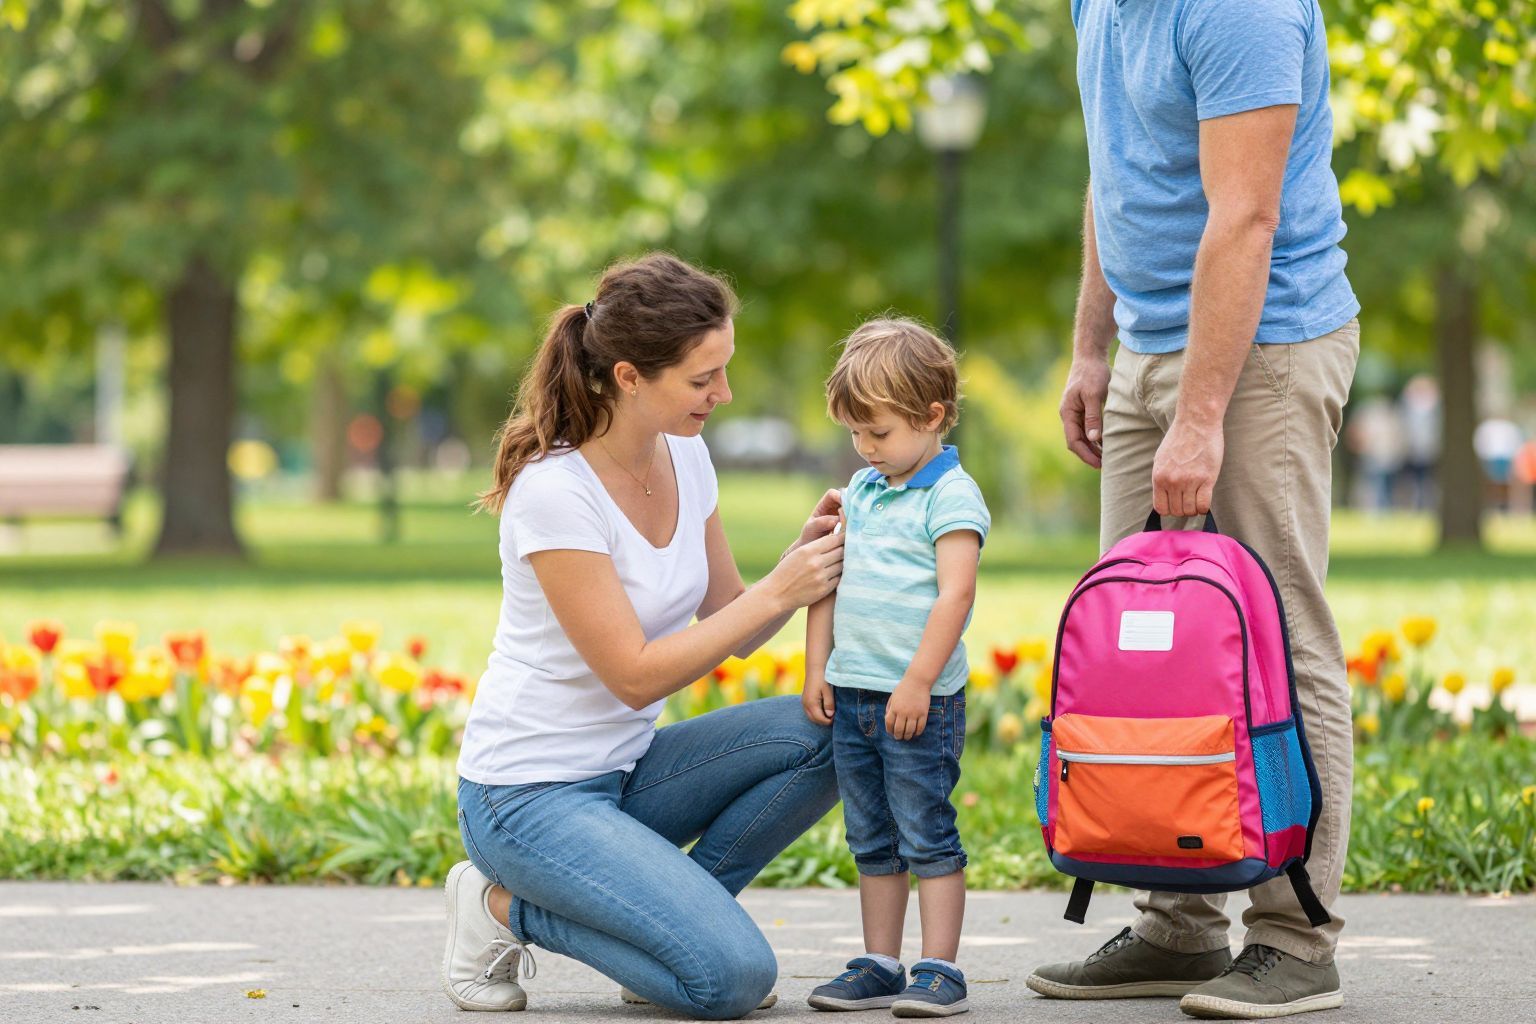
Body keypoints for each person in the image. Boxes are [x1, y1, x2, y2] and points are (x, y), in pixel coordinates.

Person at [1037, 0, 1361, 1018]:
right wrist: (1092, 346)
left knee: (1276, 637)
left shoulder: (1237, 8)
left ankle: (1295, 938)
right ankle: (1178, 923)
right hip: (1146, 346)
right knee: (1149, 651)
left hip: (1261, 348)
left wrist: (1201, 415)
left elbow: (1247, 215)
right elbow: (1117, 172)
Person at [442, 253, 847, 1019]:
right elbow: (632, 676)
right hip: (525, 798)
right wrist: (779, 591)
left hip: (625, 776)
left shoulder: (686, 456)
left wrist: (801, 562)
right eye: (702, 379)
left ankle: (666, 943)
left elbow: (734, 622)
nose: (723, 394)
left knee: (832, 731)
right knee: (732, 982)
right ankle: (497, 907)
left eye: (723, 370)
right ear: (629, 376)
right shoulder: (554, 492)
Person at [801, 319, 989, 1018]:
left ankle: (941, 968)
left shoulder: (952, 495)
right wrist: (818, 667)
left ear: (932, 416)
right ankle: (880, 962)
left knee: (927, 832)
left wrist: (916, 682)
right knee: (871, 838)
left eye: (878, 432)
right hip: (854, 695)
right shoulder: (861, 490)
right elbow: (827, 582)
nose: (866, 446)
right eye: (855, 432)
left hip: (918, 701)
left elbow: (956, 595)